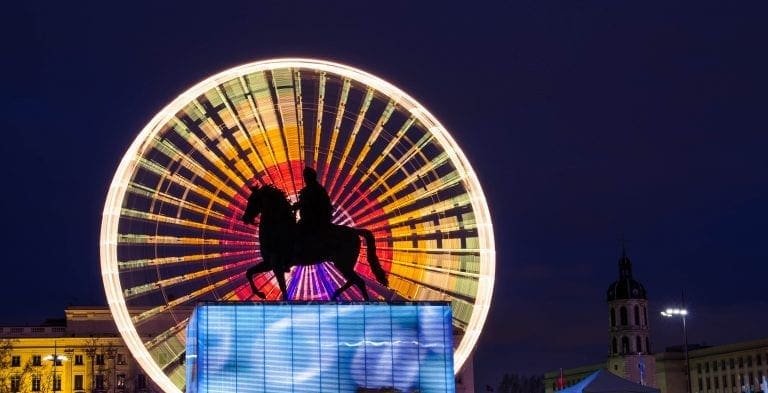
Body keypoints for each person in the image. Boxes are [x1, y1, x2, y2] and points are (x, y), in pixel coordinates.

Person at [293, 167, 333, 235]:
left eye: (306, 176)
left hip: (313, 221)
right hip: (315, 220)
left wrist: (297, 206)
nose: (305, 179)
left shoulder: (313, 189)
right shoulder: (317, 189)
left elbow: (308, 203)